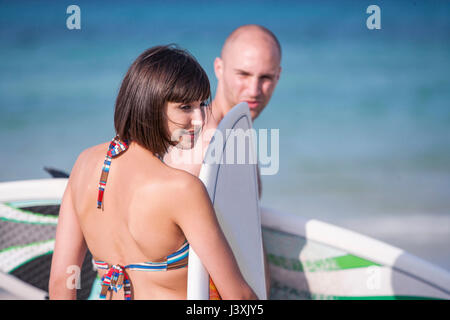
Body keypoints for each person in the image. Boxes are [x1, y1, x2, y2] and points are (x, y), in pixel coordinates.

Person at [48, 45, 257, 300]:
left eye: (202, 104)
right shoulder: (183, 189)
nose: (201, 119)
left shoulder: (83, 164)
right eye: (185, 107)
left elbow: (61, 283)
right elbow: (240, 298)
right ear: (151, 104)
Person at [163, 24, 282, 298]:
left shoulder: (235, 134)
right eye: (243, 74)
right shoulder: (201, 138)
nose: (254, 89)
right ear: (219, 68)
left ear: (279, 76)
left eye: (266, 77)